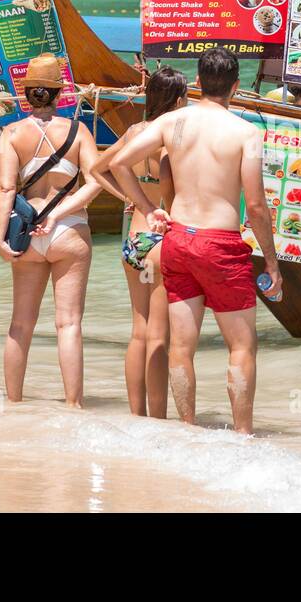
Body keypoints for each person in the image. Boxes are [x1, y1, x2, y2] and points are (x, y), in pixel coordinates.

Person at [109, 47, 282, 435]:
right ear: (235, 87)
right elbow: (255, 204)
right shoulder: (246, 133)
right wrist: (270, 261)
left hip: (179, 240)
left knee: (181, 347)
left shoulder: (174, 122)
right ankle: (242, 435)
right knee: (241, 346)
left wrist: (146, 206)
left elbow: (119, 163)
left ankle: (186, 430)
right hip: (220, 244)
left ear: (199, 83)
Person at [0, 54, 106, 408]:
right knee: (68, 324)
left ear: (26, 95)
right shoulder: (78, 131)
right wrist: (62, 214)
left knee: (20, 325)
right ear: (60, 95)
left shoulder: (11, 134)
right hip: (69, 230)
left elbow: (6, 189)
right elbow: (96, 181)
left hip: (26, 233)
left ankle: (13, 403)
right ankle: (73, 406)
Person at [93, 66, 188, 417]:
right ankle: (159, 420)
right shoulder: (172, 136)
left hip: (135, 238)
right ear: (178, 100)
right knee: (160, 337)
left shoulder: (135, 131)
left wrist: (128, 198)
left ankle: (137, 416)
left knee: (139, 331)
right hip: (163, 240)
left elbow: (98, 169)